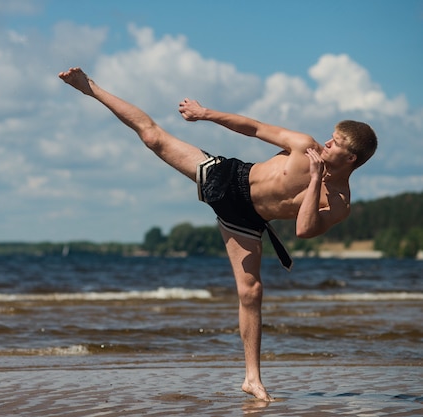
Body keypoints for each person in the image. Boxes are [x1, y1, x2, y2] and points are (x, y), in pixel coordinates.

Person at [58, 67, 377, 401]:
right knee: (153, 137)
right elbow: (254, 128)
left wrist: (315, 180)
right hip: (229, 180)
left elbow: (304, 229)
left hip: (247, 220)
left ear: (351, 157)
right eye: (331, 137)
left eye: (335, 143)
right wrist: (204, 113)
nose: (326, 143)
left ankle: (252, 379)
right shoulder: (303, 145)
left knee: (251, 292)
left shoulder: (340, 203)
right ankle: (90, 87)